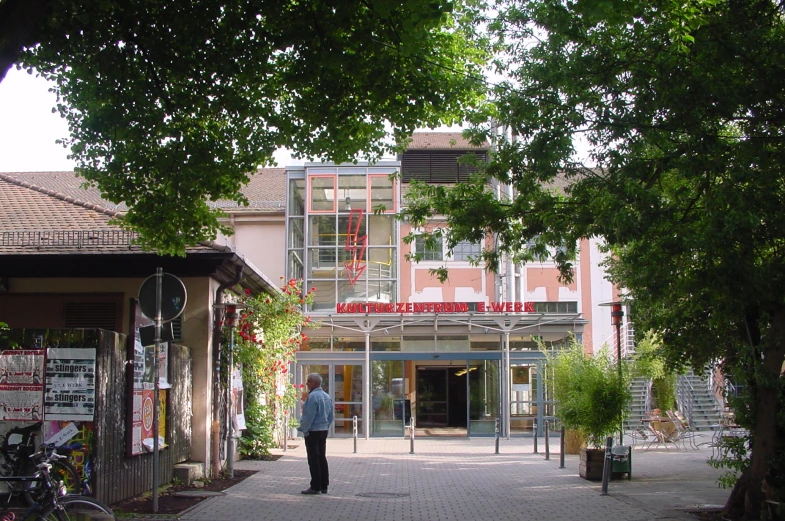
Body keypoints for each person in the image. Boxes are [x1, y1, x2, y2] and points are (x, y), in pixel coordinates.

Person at [297, 373, 334, 495]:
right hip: (323, 430)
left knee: (313, 459)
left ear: (315, 383)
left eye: (309, 381)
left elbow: (309, 416)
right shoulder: (326, 396)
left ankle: (315, 486)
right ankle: (324, 485)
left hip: (313, 431)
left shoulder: (312, 397)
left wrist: (304, 429)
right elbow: (330, 416)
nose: (307, 383)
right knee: (321, 457)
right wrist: (326, 426)